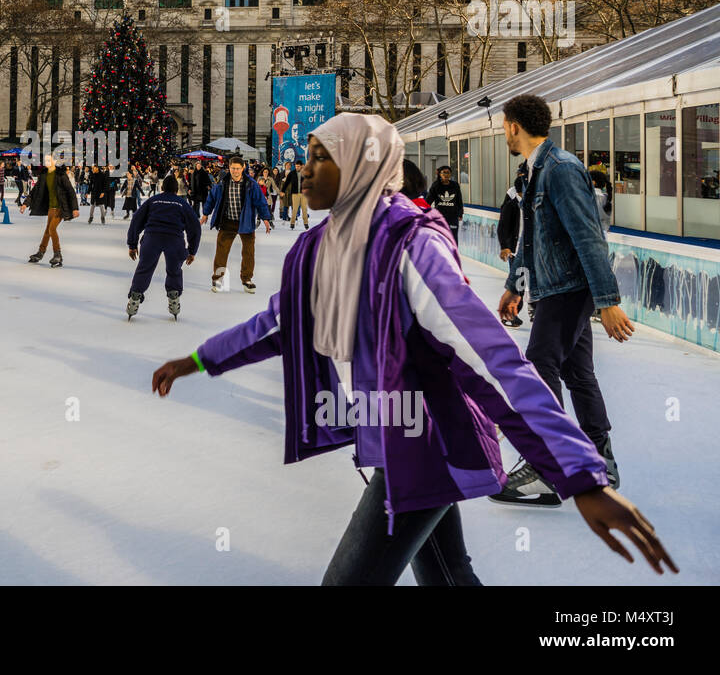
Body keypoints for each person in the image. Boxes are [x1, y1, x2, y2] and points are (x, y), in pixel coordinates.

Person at [151, 113, 677, 586]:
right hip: (398, 435)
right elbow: (279, 323)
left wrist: (578, 473)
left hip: (431, 444)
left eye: (319, 156)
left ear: (361, 166)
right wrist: (199, 359)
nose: (303, 170)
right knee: (449, 577)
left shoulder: (412, 245)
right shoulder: (324, 248)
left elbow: (491, 358)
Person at [497, 94, 631, 504]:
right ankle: (598, 462)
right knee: (577, 373)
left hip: (570, 289)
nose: (503, 131)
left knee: (539, 365)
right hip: (554, 287)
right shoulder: (534, 172)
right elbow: (532, 237)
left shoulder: (561, 169)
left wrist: (607, 301)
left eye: (504, 125)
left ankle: (548, 467)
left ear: (515, 126)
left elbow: (589, 237)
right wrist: (515, 284)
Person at [126, 175, 201, 319]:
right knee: (174, 270)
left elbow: (136, 219)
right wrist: (192, 251)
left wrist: (132, 244)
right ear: (176, 189)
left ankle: (135, 297)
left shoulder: (153, 200)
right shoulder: (182, 203)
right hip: (174, 240)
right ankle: (174, 298)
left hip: (152, 238)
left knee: (144, 269)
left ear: (161, 188)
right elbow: (195, 227)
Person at [201, 156, 272, 294]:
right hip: (227, 221)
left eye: (238, 168)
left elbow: (260, 201)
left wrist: (265, 218)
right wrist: (205, 214)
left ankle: (247, 279)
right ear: (229, 168)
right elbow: (211, 198)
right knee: (221, 252)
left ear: (243, 168)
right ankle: (218, 279)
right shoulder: (222, 183)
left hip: (245, 222)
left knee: (248, 252)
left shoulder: (251, 184)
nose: (235, 171)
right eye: (233, 168)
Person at [27, 155, 78, 268]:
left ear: (54, 161)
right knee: (47, 231)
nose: (46, 162)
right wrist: (26, 203)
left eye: (49, 160)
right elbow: (35, 190)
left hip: (61, 207)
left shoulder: (61, 175)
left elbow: (71, 191)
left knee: (52, 229)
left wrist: (75, 208)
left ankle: (57, 254)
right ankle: (40, 253)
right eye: (45, 160)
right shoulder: (44, 174)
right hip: (51, 208)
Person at [496, 161, 528, 328]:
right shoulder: (512, 201)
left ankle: (535, 312)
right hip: (517, 251)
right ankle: (511, 314)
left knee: (534, 285)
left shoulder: (536, 201)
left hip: (534, 250)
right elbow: (503, 225)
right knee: (519, 284)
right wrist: (505, 246)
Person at [427, 165, 464, 245]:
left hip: (453, 217)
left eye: (448, 173)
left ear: (450, 174)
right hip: (439, 217)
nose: (446, 175)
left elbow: (459, 200)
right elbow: (428, 200)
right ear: (440, 174)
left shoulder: (455, 185)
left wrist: (460, 213)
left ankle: (453, 254)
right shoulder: (436, 186)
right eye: (444, 173)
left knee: (453, 237)